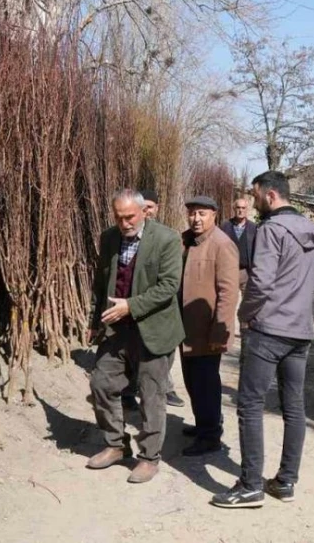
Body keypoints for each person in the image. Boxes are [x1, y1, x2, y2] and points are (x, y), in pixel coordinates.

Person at [211, 171, 314, 509]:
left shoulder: (271, 230)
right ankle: (286, 481)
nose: (254, 200)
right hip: (300, 333)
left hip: (269, 331)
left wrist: (245, 315)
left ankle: (249, 486)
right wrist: (304, 321)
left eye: (256, 195)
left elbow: (259, 282)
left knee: (249, 405)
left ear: (271, 195)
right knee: (294, 407)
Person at [86, 189, 185, 484]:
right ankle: (116, 445)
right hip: (117, 329)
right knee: (101, 383)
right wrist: (95, 321)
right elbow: (101, 282)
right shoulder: (109, 239)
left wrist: (131, 305)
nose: (124, 223)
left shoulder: (166, 239)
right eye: (119, 217)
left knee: (151, 395)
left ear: (144, 212)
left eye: (129, 217)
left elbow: (168, 286)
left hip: (154, 329)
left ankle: (149, 457)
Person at [178, 196, 240, 456]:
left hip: (207, 330)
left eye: (202, 213)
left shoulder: (222, 245)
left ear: (214, 215)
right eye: (192, 213)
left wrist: (220, 330)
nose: (196, 218)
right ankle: (204, 423)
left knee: (206, 383)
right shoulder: (186, 241)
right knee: (192, 381)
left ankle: (210, 435)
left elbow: (228, 292)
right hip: (186, 328)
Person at [121, 188, 186, 411]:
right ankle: (129, 391)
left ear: (156, 209)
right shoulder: (124, 235)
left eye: (150, 208)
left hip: (157, 311)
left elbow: (169, 283)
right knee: (131, 353)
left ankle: (164, 389)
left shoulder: (167, 236)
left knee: (160, 356)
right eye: (143, 208)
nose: (146, 212)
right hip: (130, 311)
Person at [220, 197, 258, 330]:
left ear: (247, 210)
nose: (240, 211)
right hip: (228, 271)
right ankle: (225, 330)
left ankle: (245, 330)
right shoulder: (225, 226)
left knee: (247, 304)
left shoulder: (254, 228)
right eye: (238, 208)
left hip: (246, 272)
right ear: (234, 209)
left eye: (243, 208)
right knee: (227, 302)